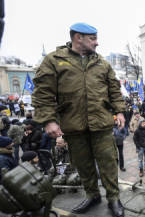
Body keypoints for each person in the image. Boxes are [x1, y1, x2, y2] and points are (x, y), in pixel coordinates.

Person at [32, 23, 126, 217]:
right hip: (73, 125)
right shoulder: (54, 60)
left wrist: (120, 111)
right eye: (92, 38)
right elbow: (43, 93)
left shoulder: (102, 63)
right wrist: (49, 120)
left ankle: (113, 198)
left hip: (101, 124)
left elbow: (114, 90)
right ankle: (93, 196)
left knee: (108, 162)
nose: (97, 43)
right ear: (78, 38)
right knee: (83, 164)